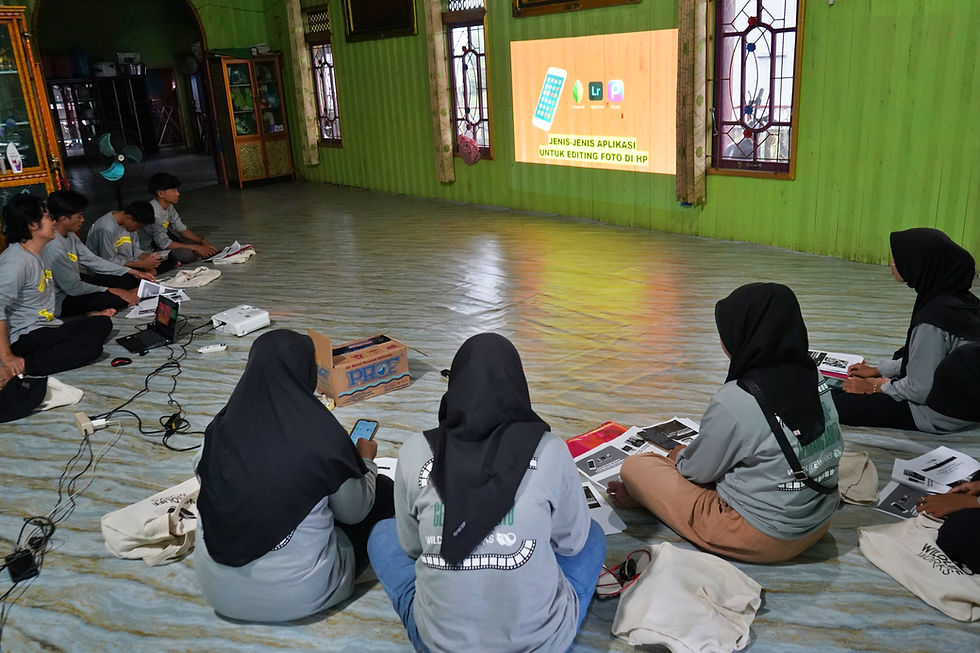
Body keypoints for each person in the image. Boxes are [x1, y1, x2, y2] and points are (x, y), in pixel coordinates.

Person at [368, 333, 605, 653]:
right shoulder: (550, 452)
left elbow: (412, 547)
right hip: (539, 646)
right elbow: (572, 542)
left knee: (383, 534)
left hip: (440, 646)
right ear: (518, 386)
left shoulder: (414, 451)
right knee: (593, 536)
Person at [608, 283, 842, 564]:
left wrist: (677, 456)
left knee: (637, 467)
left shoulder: (736, 399)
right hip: (818, 521)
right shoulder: (813, 376)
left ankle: (651, 500)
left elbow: (696, 472)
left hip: (764, 536)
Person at [194, 329, 394, 622]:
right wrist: (365, 460)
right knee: (382, 491)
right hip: (304, 596)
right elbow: (355, 511)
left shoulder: (219, 429)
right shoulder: (320, 434)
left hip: (218, 593)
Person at [833, 228, 980, 433]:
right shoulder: (963, 302)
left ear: (921, 265)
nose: (893, 263)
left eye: (900, 258)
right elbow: (934, 359)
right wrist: (880, 370)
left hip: (940, 413)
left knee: (837, 403)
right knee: (900, 355)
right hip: (968, 403)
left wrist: (876, 387)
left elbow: (919, 389)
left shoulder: (933, 320)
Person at [0, 194, 112, 378]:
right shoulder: (15, 263)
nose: (53, 222)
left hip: (46, 325)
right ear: (32, 225)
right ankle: (25, 365)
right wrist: (8, 357)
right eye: (47, 217)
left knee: (102, 322)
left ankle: (59, 348)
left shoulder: (37, 252)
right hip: (23, 336)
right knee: (90, 347)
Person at [42, 190, 154, 317]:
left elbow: (92, 260)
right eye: (79, 216)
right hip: (60, 299)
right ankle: (95, 311)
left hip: (73, 285)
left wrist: (132, 271)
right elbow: (72, 288)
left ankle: (99, 307)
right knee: (116, 298)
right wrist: (113, 291)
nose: (83, 220)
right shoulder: (53, 245)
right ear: (64, 219)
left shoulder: (70, 235)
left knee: (126, 280)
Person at [140, 173, 217, 263]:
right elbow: (164, 243)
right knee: (186, 254)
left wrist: (202, 241)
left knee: (193, 244)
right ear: (161, 193)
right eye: (173, 190)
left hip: (162, 241)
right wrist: (196, 247)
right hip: (149, 248)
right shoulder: (154, 212)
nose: (178, 193)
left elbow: (180, 228)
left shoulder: (169, 206)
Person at [86, 201, 163, 273]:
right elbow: (109, 260)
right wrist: (141, 265)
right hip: (105, 269)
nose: (137, 230)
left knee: (164, 264)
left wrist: (149, 258)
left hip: (126, 264)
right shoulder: (106, 229)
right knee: (134, 279)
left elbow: (134, 249)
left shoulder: (128, 224)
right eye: (138, 226)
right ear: (129, 217)